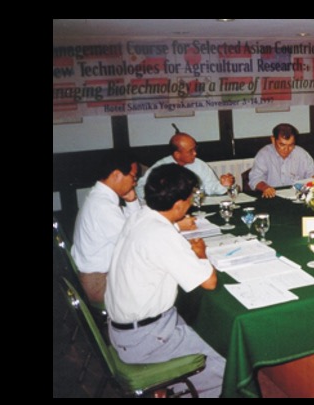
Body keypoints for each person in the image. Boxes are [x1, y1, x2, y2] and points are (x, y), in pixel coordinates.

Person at [105, 163, 225, 398]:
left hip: (128, 329)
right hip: (145, 339)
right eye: (191, 199)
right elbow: (209, 282)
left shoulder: (140, 216)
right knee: (227, 361)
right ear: (179, 205)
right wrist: (201, 254)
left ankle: (170, 390)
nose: (191, 203)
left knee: (205, 329)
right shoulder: (161, 234)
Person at [71, 150, 140, 305]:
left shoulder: (99, 197)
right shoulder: (103, 206)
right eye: (133, 177)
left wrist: (132, 201)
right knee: (163, 278)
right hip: (100, 283)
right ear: (116, 175)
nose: (135, 183)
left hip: (99, 275)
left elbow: (132, 226)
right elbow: (135, 242)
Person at [136, 131, 234, 205]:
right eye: (190, 151)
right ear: (177, 154)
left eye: (195, 149)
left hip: (196, 207)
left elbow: (210, 188)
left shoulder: (199, 164)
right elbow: (140, 188)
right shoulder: (160, 168)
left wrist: (223, 185)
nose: (195, 153)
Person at [248, 123, 314, 198]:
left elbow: (312, 174)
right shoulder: (264, 154)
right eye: (282, 145)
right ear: (273, 140)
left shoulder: (301, 154)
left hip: (297, 196)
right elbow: (255, 178)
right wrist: (265, 187)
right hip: (272, 197)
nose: (286, 150)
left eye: (291, 145)